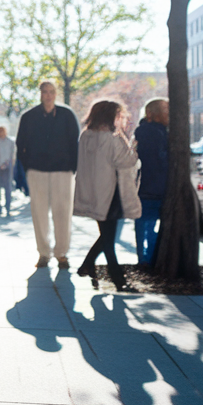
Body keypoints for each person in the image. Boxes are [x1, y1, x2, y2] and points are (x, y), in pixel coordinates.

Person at [73, 100, 140, 291]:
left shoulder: (85, 136)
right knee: (109, 238)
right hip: (110, 194)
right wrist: (133, 146)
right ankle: (118, 280)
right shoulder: (111, 138)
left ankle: (88, 265)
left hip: (92, 192)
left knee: (106, 235)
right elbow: (127, 161)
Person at [17, 80, 80, 269]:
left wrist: (72, 168)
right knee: (39, 213)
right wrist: (28, 167)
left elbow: (74, 143)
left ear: (56, 93)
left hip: (63, 171)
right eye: (45, 92)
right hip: (37, 171)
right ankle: (43, 253)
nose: (48, 95)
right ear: (40, 94)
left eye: (51, 91)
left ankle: (61, 253)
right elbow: (21, 145)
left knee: (63, 213)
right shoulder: (29, 117)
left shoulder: (67, 115)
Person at [133, 97, 169, 267]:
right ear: (154, 114)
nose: (169, 113)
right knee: (147, 225)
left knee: (146, 226)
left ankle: (146, 258)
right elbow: (157, 160)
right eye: (165, 109)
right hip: (150, 187)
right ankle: (146, 259)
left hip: (152, 187)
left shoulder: (152, 131)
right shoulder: (153, 133)